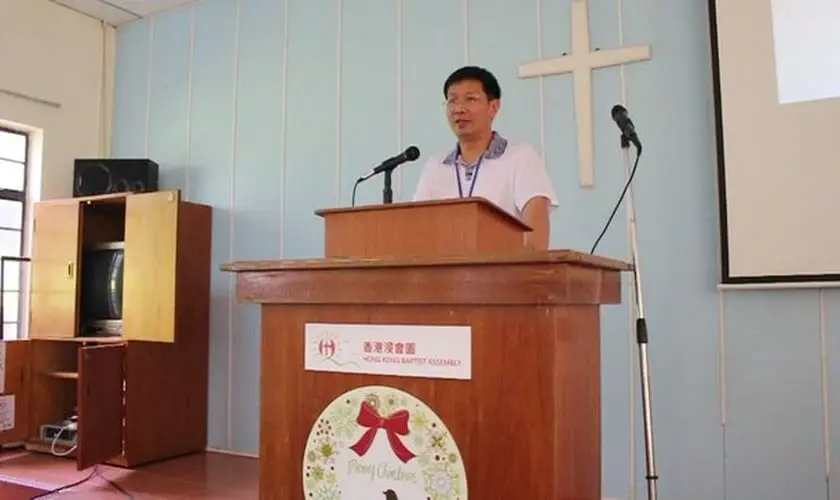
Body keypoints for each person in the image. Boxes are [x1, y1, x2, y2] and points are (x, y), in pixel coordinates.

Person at [412, 66, 558, 250]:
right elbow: (416, 231)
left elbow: (536, 234)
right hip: (445, 276)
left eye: (471, 99)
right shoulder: (435, 166)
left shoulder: (520, 156)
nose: (459, 109)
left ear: (493, 107)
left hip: (504, 275)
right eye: (452, 101)